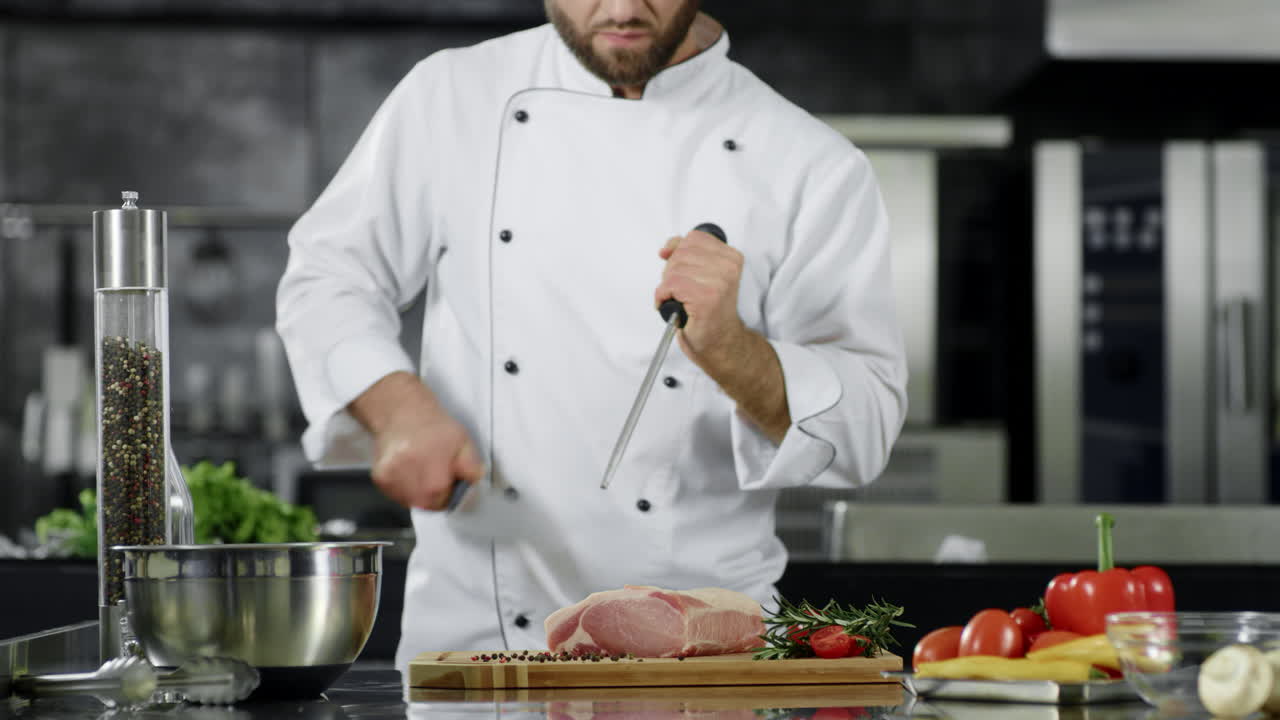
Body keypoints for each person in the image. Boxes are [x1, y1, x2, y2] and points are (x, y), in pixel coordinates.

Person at [276, 0, 907, 670]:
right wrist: (398, 410)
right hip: (477, 651)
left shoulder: (809, 162)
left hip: (701, 663)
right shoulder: (454, 97)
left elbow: (863, 430)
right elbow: (329, 277)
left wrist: (730, 349)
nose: (623, 9)